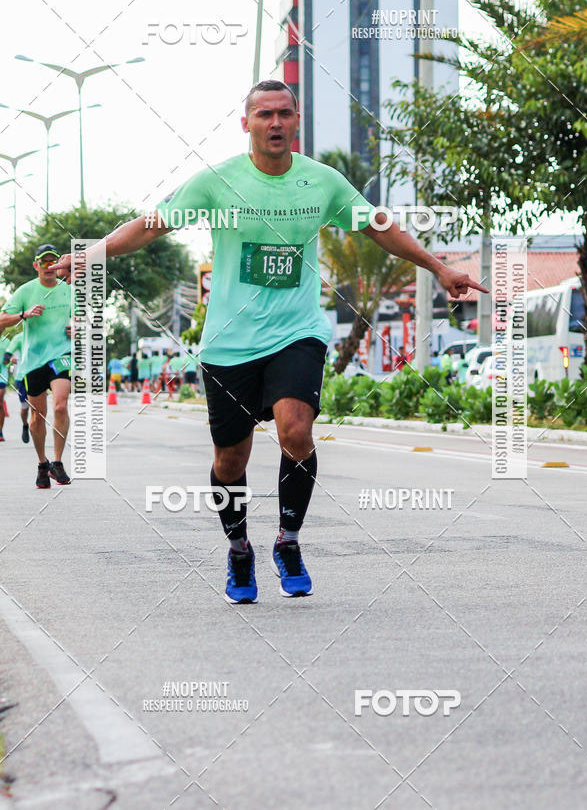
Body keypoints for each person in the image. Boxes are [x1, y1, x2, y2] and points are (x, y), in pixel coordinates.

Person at [49, 79, 486, 602]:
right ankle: (238, 551)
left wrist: (438, 267)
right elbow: (149, 226)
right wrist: (90, 254)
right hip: (229, 344)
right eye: (264, 115)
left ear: (296, 120)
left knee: (295, 432)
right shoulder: (216, 183)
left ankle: (289, 539)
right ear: (247, 124)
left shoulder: (322, 183)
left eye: (284, 113)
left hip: (297, 332)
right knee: (230, 460)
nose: (275, 123)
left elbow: (379, 227)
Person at [0, 244, 72, 486]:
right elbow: (2, 319)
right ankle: (43, 464)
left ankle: (58, 462)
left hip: (61, 354)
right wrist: (23, 315)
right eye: (44, 262)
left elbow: (87, 319)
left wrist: (78, 327)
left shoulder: (69, 290)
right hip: (33, 361)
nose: (49, 266)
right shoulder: (26, 291)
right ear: (36, 266)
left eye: (53, 262)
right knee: (37, 416)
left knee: (61, 406)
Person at [7, 330, 30, 442]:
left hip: (38, 374)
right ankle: (25, 425)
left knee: (39, 408)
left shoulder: (41, 334)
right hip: (21, 377)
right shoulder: (18, 338)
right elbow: (8, 356)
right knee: (25, 407)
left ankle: (38, 429)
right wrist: (10, 359)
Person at [0, 333, 10, 442]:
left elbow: (10, 357)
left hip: (2, 375)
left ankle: (0, 431)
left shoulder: (6, 341)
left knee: (0, 401)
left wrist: (8, 362)